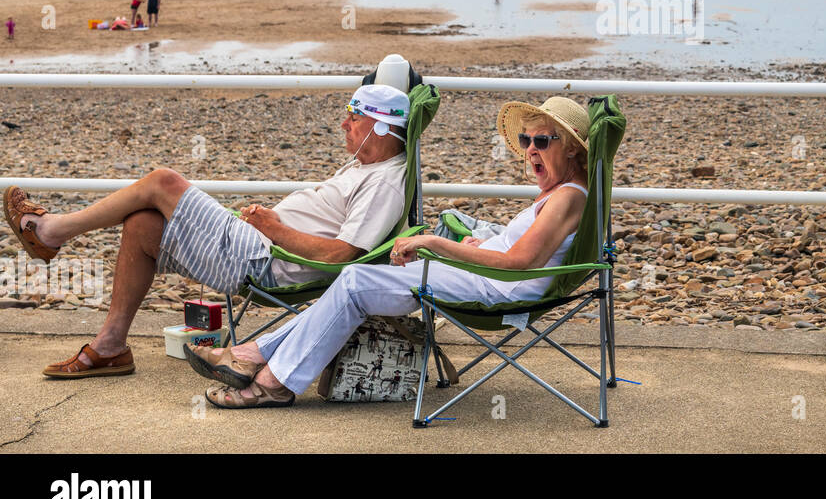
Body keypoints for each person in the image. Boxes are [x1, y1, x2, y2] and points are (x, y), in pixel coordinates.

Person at [187, 96, 591, 409]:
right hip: (488, 279)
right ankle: (250, 355)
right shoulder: (558, 194)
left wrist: (437, 244)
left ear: (572, 148)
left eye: (542, 141)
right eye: (526, 140)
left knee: (357, 282)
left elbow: (520, 264)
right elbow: (520, 251)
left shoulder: (567, 198)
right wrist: (478, 246)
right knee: (355, 281)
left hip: (501, 291)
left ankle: (272, 383)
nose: (530, 150)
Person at [3, 85, 411, 379]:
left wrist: (273, 227)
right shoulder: (366, 168)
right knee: (142, 223)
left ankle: (52, 231)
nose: (343, 124)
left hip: (266, 261)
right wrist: (269, 224)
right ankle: (111, 347)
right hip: (257, 244)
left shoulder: (384, 182)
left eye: (354, 118)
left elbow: (342, 256)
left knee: (163, 181)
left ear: (379, 128)